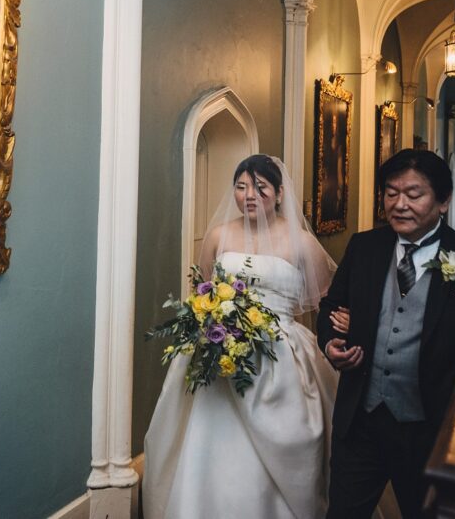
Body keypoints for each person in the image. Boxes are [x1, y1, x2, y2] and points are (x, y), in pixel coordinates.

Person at [317, 149, 455, 519]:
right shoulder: (364, 247)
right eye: (391, 193)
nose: (399, 204)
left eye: (414, 194)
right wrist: (331, 344)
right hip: (361, 421)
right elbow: (332, 307)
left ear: (443, 201)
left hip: (433, 429)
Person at [144, 154, 341, 518]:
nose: (249, 195)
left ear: (280, 193)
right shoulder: (219, 234)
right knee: (207, 437)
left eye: (260, 188)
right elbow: (202, 288)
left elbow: (326, 302)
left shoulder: (302, 243)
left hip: (281, 352)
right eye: (241, 187)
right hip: (218, 347)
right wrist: (211, 319)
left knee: (293, 436)